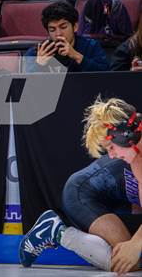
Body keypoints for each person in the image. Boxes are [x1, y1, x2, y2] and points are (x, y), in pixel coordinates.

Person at [19, 97, 142, 274]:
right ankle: (58, 232)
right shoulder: (136, 157)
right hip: (82, 194)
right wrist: (134, 244)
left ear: (124, 135)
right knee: (128, 261)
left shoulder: (136, 153)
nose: (111, 155)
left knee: (134, 249)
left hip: (111, 199)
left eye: (110, 147)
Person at [24, 0, 109, 73]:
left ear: (75, 27)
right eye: (52, 30)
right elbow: (26, 87)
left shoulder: (91, 46)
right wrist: (38, 65)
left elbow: (106, 76)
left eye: (63, 27)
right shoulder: (36, 52)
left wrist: (77, 56)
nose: (58, 34)